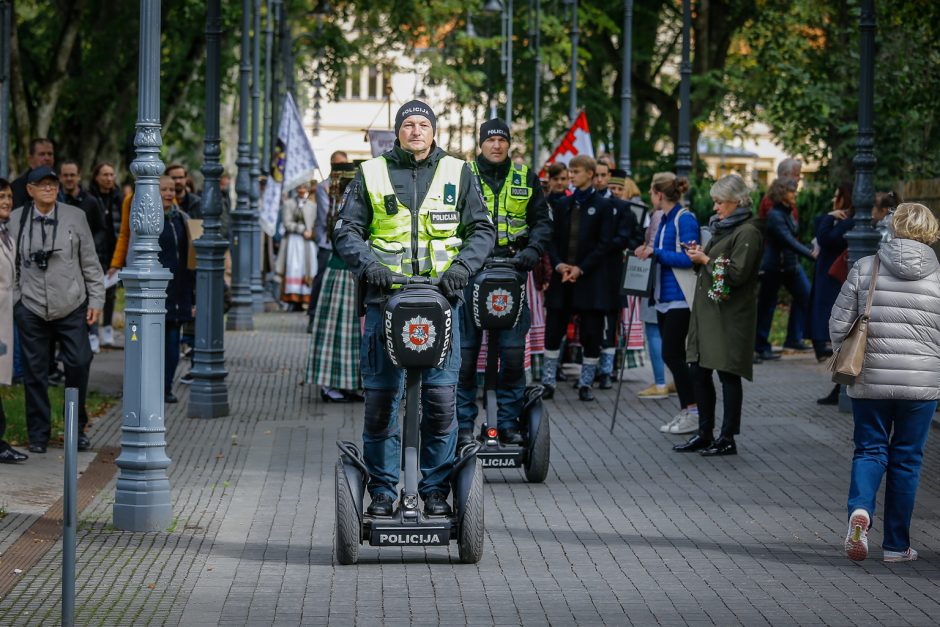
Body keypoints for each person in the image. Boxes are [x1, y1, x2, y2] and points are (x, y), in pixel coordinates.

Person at [333, 100, 495, 517]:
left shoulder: (458, 172)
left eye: (424, 124)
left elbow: (482, 230)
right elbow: (345, 229)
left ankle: (436, 491)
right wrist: (370, 266)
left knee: (441, 404)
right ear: (398, 130)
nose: (416, 131)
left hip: (440, 303)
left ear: (434, 130)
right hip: (385, 303)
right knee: (383, 404)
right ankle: (384, 493)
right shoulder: (370, 173)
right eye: (409, 124)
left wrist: (462, 268)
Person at [831, 203, 940, 564]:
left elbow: (839, 323)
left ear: (894, 227)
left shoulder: (866, 267)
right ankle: (896, 546)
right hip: (920, 385)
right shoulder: (938, 276)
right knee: (907, 460)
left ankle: (861, 511)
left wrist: (846, 359)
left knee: (869, 450)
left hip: (870, 378)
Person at [456, 118, 552, 447]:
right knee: (466, 357)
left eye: (502, 140)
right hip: (470, 273)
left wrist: (533, 250)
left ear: (509, 144)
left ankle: (508, 422)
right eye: (490, 140)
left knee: (511, 356)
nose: (496, 145)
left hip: (512, 270)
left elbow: (542, 221)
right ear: (480, 144)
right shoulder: (462, 175)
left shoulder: (526, 177)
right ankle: (464, 424)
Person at [10, 166, 104, 453]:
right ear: (30, 190)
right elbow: (9, 264)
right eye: (42, 184)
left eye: (52, 184)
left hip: (71, 305)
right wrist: (18, 301)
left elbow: (90, 263)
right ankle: (39, 434)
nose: (49, 188)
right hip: (31, 307)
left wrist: (96, 301)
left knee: (78, 362)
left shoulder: (75, 217)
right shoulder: (15, 220)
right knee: (35, 373)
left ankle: (76, 429)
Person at [673, 174, 763, 457]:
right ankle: (704, 432)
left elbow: (737, 273)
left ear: (736, 202)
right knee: (697, 371)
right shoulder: (723, 228)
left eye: (719, 202)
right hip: (709, 314)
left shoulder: (748, 231)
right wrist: (700, 255)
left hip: (729, 316)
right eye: (714, 202)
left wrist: (705, 260)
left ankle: (727, 437)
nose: (715, 208)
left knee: (727, 373)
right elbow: (719, 266)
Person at [541, 155, 614, 402]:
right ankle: (548, 381)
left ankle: (586, 383)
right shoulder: (563, 204)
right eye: (570, 171)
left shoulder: (603, 207)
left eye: (577, 171)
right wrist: (560, 265)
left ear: (590, 174)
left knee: (591, 333)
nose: (571, 175)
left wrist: (580, 268)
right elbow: (550, 239)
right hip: (562, 280)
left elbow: (604, 244)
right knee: (553, 331)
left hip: (590, 280)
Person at [634, 172, 699, 433]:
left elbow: (691, 258)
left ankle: (693, 410)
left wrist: (656, 253)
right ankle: (687, 410)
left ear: (659, 194)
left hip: (680, 298)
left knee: (673, 354)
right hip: (662, 296)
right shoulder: (663, 219)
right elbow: (659, 251)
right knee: (671, 355)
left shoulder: (685, 219)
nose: (651, 197)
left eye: (651, 192)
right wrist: (646, 251)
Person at [754, 178, 817, 361]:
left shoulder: (788, 212)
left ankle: (816, 342)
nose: (794, 194)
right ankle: (761, 346)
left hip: (790, 265)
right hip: (774, 266)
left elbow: (792, 239)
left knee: (807, 298)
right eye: (791, 191)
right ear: (782, 194)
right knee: (767, 306)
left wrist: (808, 250)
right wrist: (810, 254)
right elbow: (787, 240)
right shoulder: (775, 215)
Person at [58, 160, 110, 353]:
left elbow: (101, 230)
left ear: (79, 176)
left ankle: (92, 333)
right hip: (62, 261)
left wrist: (86, 247)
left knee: (90, 297)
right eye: (66, 175)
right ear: (61, 177)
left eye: (73, 175)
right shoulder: (57, 201)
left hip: (85, 260)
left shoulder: (90, 202)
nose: (69, 179)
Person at [156, 176, 195, 404]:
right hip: (156, 292)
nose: (169, 193)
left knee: (172, 344)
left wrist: (192, 298)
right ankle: (148, 385)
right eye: (164, 190)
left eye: (171, 190)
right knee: (150, 344)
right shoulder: (147, 219)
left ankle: (166, 387)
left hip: (178, 293)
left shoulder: (182, 219)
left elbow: (190, 260)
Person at [810, 183, 854, 365]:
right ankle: (821, 346)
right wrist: (830, 217)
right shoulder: (840, 219)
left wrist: (829, 218)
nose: (834, 200)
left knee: (827, 310)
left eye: (838, 196)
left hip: (834, 274)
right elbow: (818, 225)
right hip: (827, 271)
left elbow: (826, 239)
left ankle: (826, 345)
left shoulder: (849, 222)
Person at [0, 178, 28, 463]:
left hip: (6, 316)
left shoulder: (6, 233)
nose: (7, 201)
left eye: (8, 197)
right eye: (1, 197)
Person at [307, 151, 348, 333]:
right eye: (337, 165)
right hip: (327, 240)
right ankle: (313, 314)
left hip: (343, 240)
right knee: (322, 276)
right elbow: (325, 216)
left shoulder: (348, 185)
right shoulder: (324, 187)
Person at [86, 162, 123, 348]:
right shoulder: (90, 198)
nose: (109, 178)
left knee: (110, 293)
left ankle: (107, 328)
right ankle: (92, 333)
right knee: (94, 292)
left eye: (111, 174)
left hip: (114, 251)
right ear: (96, 177)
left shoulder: (119, 197)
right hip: (94, 251)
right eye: (105, 175)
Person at [276, 182, 317, 310]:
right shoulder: (288, 204)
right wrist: (302, 229)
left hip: (307, 242)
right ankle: (292, 299)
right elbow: (287, 223)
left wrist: (311, 232)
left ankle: (305, 298)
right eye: (299, 187)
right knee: (293, 267)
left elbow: (314, 222)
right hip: (293, 241)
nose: (301, 190)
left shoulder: (312, 205)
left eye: (304, 187)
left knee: (307, 268)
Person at [11, 138, 55, 209]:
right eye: (42, 154)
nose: (47, 158)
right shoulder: (18, 187)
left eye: (50, 154)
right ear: (30, 159)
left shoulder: (59, 184)